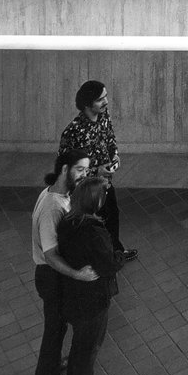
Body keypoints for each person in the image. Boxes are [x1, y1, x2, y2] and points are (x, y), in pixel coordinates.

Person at [31, 150, 98, 375]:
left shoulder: (55, 194)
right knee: (53, 334)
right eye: (79, 170)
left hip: (52, 276)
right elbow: (50, 255)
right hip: (51, 277)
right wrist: (77, 274)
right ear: (64, 169)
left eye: (86, 170)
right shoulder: (52, 207)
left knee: (56, 331)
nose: (84, 175)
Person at [56, 177, 120, 375]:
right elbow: (109, 265)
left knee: (80, 348)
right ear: (96, 201)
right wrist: (118, 257)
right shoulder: (94, 231)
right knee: (88, 349)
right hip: (92, 300)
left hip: (74, 296)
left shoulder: (68, 222)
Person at [59, 80, 137, 264]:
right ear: (87, 103)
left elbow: (110, 138)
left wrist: (115, 155)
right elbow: (67, 166)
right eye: (100, 99)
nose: (106, 102)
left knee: (112, 215)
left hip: (105, 182)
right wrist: (96, 170)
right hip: (86, 189)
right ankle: (101, 259)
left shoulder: (103, 116)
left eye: (105, 96)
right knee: (94, 224)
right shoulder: (73, 131)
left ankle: (115, 252)